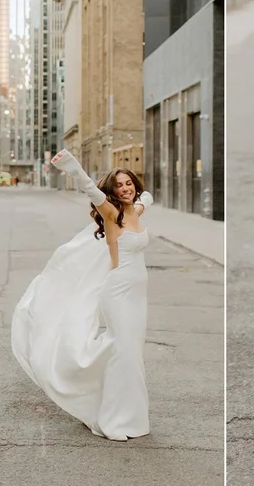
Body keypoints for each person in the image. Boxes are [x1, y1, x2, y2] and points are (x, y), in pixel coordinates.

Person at [11, 149, 153, 441]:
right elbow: (91, 189)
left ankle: (131, 417)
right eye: (119, 186)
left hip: (139, 293)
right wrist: (72, 167)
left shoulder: (135, 211)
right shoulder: (112, 214)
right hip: (119, 291)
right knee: (121, 352)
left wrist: (144, 197)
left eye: (129, 183)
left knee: (132, 354)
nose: (125, 188)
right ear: (111, 193)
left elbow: (147, 197)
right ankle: (112, 418)